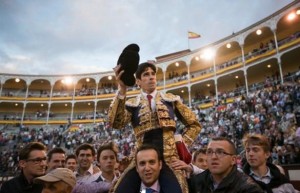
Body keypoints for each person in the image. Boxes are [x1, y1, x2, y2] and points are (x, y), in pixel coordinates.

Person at [109, 62, 201, 193]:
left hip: (169, 159)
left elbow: (194, 124)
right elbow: (116, 123)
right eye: (146, 74)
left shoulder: (171, 100)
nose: (151, 77)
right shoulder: (132, 104)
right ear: (138, 81)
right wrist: (122, 89)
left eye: (153, 74)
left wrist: (179, 145)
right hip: (141, 159)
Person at [188, 137, 263, 193]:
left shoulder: (248, 189)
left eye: (220, 152)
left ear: (233, 160)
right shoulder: (195, 182)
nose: (214, 157)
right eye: (209, 152)